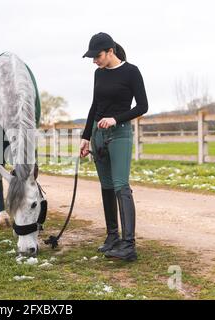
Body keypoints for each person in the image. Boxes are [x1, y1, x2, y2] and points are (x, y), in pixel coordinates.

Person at [80, 32, 148, 262]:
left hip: (119, 134)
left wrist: (116, 119)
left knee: (121, 186)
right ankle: (112, 237)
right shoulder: (98, 74)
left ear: (110, 52)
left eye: (97, 55)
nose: (94, 60)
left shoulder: (131, 71)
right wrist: (86, 136)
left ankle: (128, 245)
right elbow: (94, 106)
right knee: (106, 186)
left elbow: (143, 106)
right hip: (98, 137)